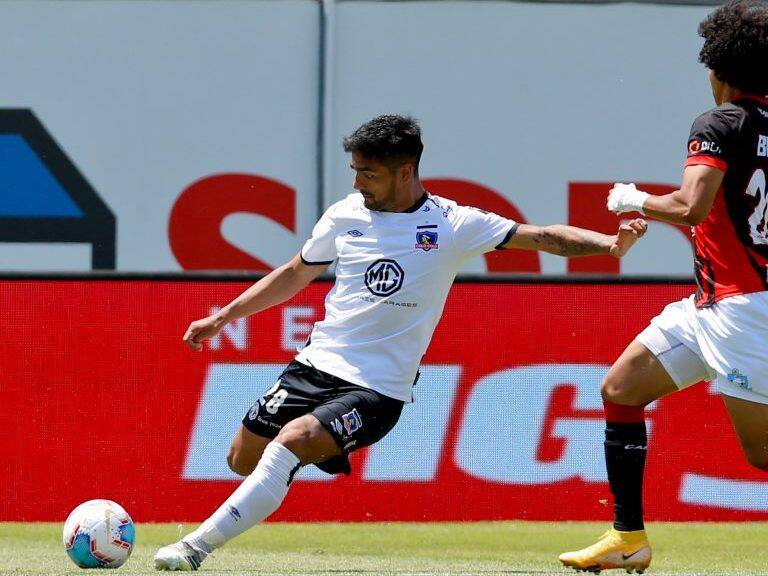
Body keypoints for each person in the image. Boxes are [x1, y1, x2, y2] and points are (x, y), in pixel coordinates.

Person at [154, 114, 647, 571]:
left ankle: (193, 548)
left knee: (293, 442)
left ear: (405, 170)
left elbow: (542, 237)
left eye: (367, 173)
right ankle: (323, 447)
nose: (356, 183)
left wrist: (608, 244)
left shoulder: (454, 223)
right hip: (312, 366)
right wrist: (224, 316)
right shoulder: (344, 214)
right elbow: (293, 273)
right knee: (242, 458)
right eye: (354, 171)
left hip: (378, 388)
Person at [558, 1, 768, 573]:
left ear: (718, 67)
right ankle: (629, 538)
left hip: (742, 310)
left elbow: (690, 204)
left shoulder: (718, 121)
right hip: (711, 305)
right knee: (621, 388)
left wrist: (632, 197)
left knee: (761, 454)